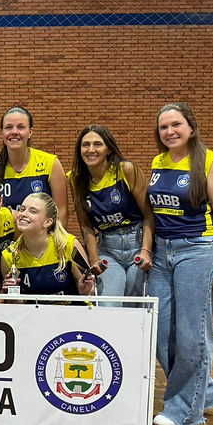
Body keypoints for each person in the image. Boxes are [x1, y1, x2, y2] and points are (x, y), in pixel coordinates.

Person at [147, 102, 213, 425]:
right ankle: (204, 391)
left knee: (192, 336)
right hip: (162, 253)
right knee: (159, 334)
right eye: (163, 127)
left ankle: (185, 410)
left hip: (198, 251)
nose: (170, 131)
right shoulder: (159, 162)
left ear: (191, 127)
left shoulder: (212, 164)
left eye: (176, 125)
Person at [69, 124, 155, 301]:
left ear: (108, 149)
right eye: (85, 145)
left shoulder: (126, 170)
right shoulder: (75, 179)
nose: (90, 149)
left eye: (97, 144)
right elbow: (85, 225)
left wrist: (146, 251)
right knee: (109, 306)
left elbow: (149, 214)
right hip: (108, 249)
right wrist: (93, 259)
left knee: (135, 309)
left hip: (137, 244)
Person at [0, 106, 68, 227]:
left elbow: (62, 212)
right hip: (5, 241)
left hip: (41, 241)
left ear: (30, 132)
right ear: (2, 132)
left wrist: (54, 243)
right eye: (8, 127)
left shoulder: (50, 163)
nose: (14, 132)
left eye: (21, 127)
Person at [0, 192, 95, 299]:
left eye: (33, 211)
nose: (23, 214)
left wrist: (85, 291)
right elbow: (18, 308)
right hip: (32, 314)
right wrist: (13, 294)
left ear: (48, 222)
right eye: (22, 209)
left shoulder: (68, 244)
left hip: (70, 312)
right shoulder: (9, 256)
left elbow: (88, 293)